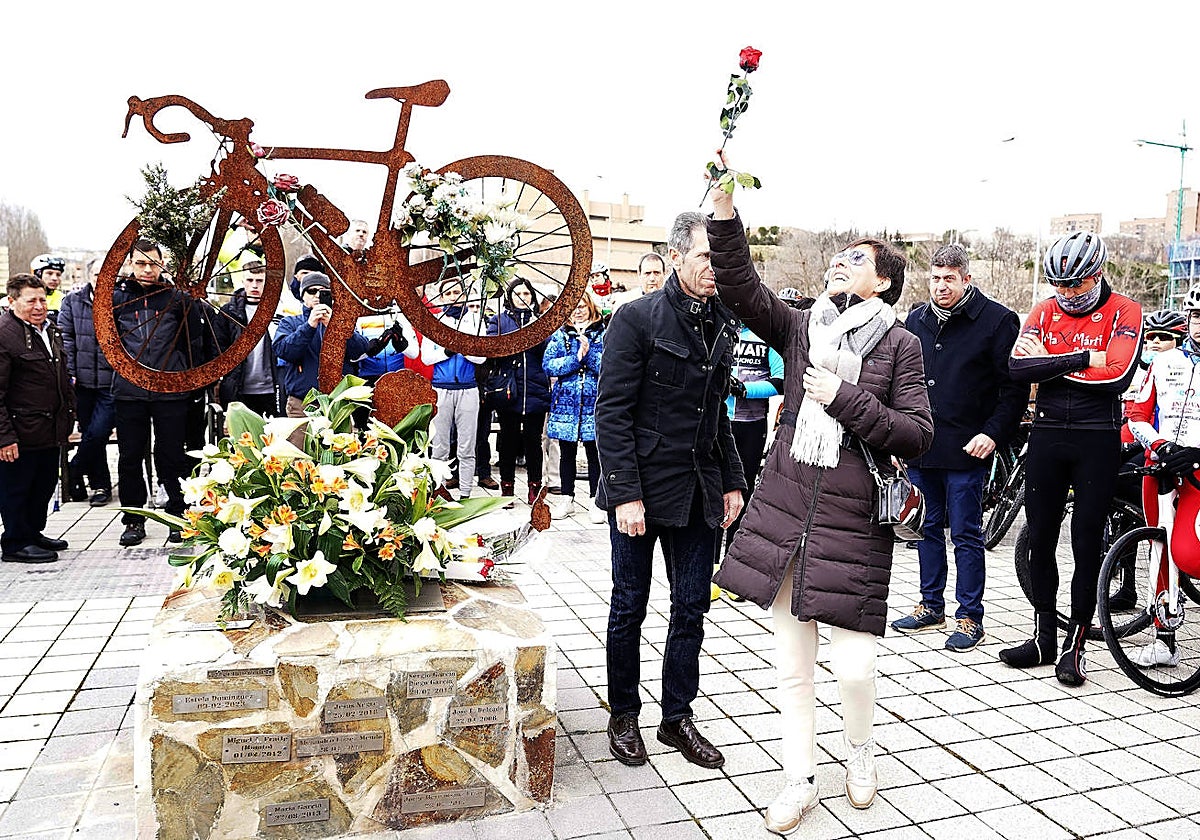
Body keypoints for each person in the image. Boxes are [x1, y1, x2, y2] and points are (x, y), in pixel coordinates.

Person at [705, 160, 933, 834]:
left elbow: (916, 434)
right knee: (791, 668)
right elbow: (741, 288)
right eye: (838, 255)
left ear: (883, 280)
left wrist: (844, 397)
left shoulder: (901, 344)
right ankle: (798, 778)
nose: (840, 262)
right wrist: (725, 210)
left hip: (853, 523)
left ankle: (860, 751)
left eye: (856, 259)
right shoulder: (803, 326)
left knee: (855, 668)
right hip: (785, 514)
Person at [596, 210, 747, 772]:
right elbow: (612, 413)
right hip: (641, 489)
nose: (715, 267)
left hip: (698, 489)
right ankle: (623, 715)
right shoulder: (635, 319)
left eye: (719, 257)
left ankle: (676, 717)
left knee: (691, 607)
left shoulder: (722, 320)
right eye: (706, 256)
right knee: (628, 606)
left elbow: (718, 414)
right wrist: (624, 495)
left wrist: (732, 481)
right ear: (677, 256)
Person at [1001, 231, 1141, 686]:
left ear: (1097, 275)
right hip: (1047, 434)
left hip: (1096, 437)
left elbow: (1117, 375)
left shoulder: (1124, 310)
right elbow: (1017, 368)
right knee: (1040, 537)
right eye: (1058, 284)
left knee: (1085, 540)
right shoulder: (1044, 310)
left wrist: (1051, 360)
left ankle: (1075, 645)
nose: (1065, 292)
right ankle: (1043, 637)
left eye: (1075, 284)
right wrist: (1084, 357)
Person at [891, 244, 1025, 651]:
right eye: (935, 278)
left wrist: (993, 434)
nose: (941, 286)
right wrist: (898, 434)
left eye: (949, 278)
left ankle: (970, 617)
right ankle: (931, 605)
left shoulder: (998, 320)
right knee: (924, 528)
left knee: (966, 534)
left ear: (967, 279)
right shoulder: (916, 319)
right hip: (922, 446)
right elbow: (902, 382)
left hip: (969, 448)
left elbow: (1013, 390)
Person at [112, 239, 211, 547]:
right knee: (130, 457)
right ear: (130, 264)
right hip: (129, 391)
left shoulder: (177, 298)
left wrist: (193, 383)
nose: (147, 269)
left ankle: (178, 515)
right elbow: (106, 343)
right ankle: (133, 519)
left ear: (162, 264)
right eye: (141, 263)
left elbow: (194, 343)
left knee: (172, 455)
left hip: (170, 390)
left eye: (153, 263)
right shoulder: (115, 298)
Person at [1125, 284, 1200, 668]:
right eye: (1196, 316)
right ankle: (1164, 639)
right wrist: (1161, 445)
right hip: (1161, 467)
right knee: (1160, 550)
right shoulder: (1165, 361)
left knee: (1190, 554)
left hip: (1198, 472)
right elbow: (1137, 414)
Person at [0, 274, 75, 563]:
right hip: (20, 432)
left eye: (42, 300)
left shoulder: (50, 329)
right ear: (12, 301)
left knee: (43, 485)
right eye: (31, 301)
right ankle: (15, 542)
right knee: (17, 488)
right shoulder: (5, 334)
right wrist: (5, 437)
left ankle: (32, 533)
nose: (39, 306)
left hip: (48, 429)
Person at [486, 277, 551, 505]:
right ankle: (507, 488)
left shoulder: (540, 321)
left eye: (526, 293)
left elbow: (547, 351)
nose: (522, 298)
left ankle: (534, 488)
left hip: (535, 388)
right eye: (518, 293)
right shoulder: (499, 321)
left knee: (534, 441)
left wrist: (537, 330)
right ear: (510, 296)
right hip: (508, 389)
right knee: (508, 440)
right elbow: (492, 349)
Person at [544, 291, 605, 523]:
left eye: (582, 306)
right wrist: (575, 358)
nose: (578, 311)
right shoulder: (561, 334)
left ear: (590, 307)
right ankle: (567, 498)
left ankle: (595, 501)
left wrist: (588, 356)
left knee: (594, 453)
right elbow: (549, 365)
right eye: (574, 307)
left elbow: (609, 364)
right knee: (566, 453)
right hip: (565, 404)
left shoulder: (602, 333)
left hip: (593, 402)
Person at [422, 279, 486, 500]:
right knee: (439, 446)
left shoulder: (474, 321)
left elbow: (481, 357)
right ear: (441, 297)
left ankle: (466, 493)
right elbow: (426, 357)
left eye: (457, 292)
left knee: (467, 446)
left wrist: (462, 347)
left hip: (468, 389)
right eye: (448, 293)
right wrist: (447, 352)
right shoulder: (434, 321)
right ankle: (438, 493)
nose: (453, 297)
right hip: (441, 388)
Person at [274, 272, 370, 419]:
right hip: (302, 404)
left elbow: (360, 350)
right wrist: (309, 326)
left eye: (323, 291)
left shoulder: (342, 321)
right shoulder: (290, 322)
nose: (317, 296)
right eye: (311, 291)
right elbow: (284, 351)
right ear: (302, 295)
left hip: (338, 403)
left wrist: (335, 326)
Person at [60, 257, 116, 506]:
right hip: (82, 383)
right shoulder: (73, 301)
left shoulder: (120, 301)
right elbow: (66, 339)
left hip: (110, 382)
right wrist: (70, 373)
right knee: (91, 434)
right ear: (89, 276)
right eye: (96, 274)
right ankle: (101, 486)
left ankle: (74, 468)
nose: (101, 279)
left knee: (98, 431)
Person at [724, 321, 784, 549]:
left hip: (752, 424)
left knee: (743, 488)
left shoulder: (766, 334)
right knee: (713, 490)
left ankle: (733, 553)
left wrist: (744, 390)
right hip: (718, 422)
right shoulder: (719, 327)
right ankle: (709, 559)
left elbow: (781, 381)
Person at [213, 259, 283, 417]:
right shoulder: (228, 312)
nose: (254, 286)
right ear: (242, 281)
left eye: (259, 281)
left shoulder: (278, 310)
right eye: (250, 280)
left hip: (272, 389)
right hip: (238, 388)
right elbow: (218, 348)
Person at [30, 254, 66, 320]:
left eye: (58, 275)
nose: (55, 278)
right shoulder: (23, 297)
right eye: (49, 273)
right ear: (38, 274)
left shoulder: (64, 299)